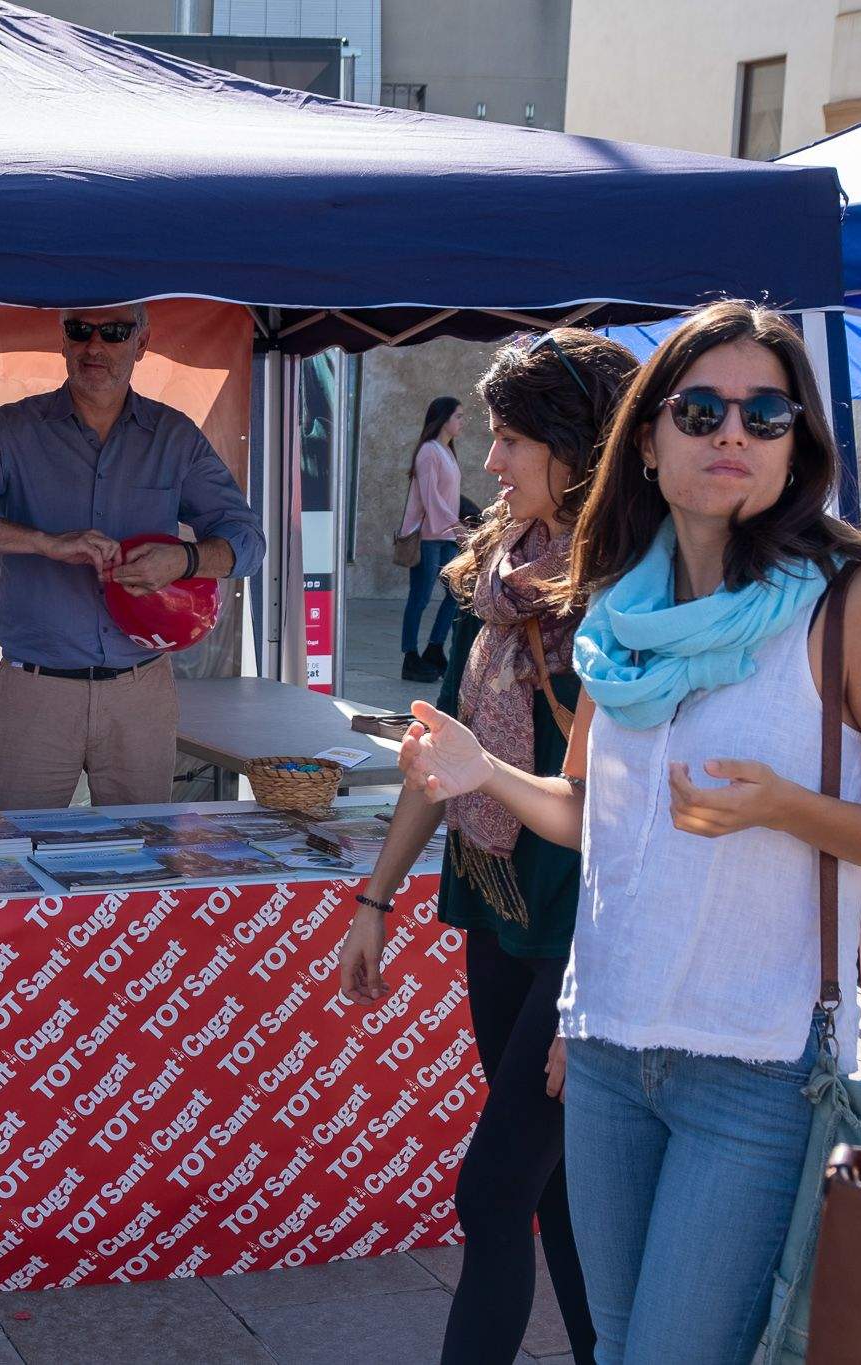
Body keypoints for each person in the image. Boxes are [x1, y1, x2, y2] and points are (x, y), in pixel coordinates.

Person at [397, 301, 861, 1364]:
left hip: (756, 1065)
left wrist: (785, 808)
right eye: (702, 408)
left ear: (798, 442)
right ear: (648, 440)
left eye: (766, 415)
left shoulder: (852, 603)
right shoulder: (620, 607)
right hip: (612, 1047)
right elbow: (590, 819)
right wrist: (482, 775)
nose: (732, 434)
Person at [340, 330, 633, 1364]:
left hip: (579, 935)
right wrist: (374, 901)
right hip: (496, 908)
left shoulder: (623, 601)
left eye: (511, 440)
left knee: (493, 1186)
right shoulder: (506, 569)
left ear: (578, 447)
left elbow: (601, 812)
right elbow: (441, 753)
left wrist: (586, 996)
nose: (491, 462)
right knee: (547, 1189)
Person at [0, 303, 265, 809]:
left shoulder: (174, 437)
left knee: (143, 861)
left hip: (139, 690)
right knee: (16, 862)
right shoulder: (15, 429)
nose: (93, 347)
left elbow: (247, 540)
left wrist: (183, 561)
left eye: (114, 332)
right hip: (35, 692)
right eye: (80, 331)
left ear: (141, 344)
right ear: (62, 340)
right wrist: (45, 542)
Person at [400, 397, 467, 682]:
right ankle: (410, 657)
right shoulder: (429, 451)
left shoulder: (447, 451)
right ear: (444, 419)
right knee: (420, 597)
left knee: (455, 594)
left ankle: (435, 647)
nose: (462, 421)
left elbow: (449, 497)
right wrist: (456, 524)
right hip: (428, 537)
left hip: (447, 536)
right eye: (459, 416)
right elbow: (431, 498)